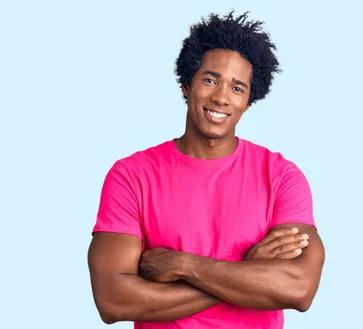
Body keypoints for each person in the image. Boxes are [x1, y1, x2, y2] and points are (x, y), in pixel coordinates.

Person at [87, 11, 325, 329]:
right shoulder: (132, 175)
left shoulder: (281, 176)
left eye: (237, 88)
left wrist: (184, 266)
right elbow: (113, 299)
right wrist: (247, 271)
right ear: (187, 84)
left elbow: (299, 289)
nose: (221, 97)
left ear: (249, 101)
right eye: (210, 80)